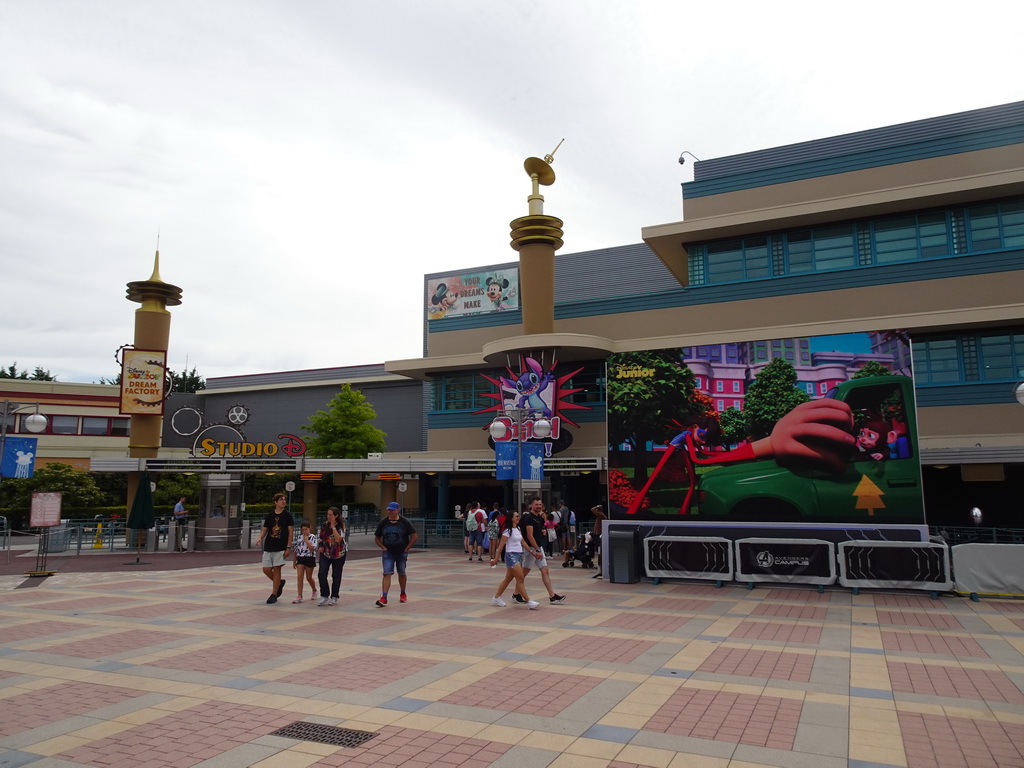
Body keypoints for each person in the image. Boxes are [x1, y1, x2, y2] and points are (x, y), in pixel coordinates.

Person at [517, 498, 565, 604]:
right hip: (532, 549)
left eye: (540, 504)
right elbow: (529, 536)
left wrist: (542, 531)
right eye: (536, 504)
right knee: (523, 573)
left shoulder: (538, 517)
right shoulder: (529, 518)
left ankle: (552, 596)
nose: (538, 506)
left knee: (545, 571)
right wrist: (537, 550)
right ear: (531, 505)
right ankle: (516, 594)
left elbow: (537, 531)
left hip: (538, 548)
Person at [489, 509, 539, 609]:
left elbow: (523, 542)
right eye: (516, 516)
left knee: (508, 579)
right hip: (511, 556)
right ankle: (529, 601)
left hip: (519, 555)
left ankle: (496, 597)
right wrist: (495, 559)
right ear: (511, 518)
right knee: (520, 578)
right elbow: (501, 546)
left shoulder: (518, 529)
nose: (518, 518)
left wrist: (532, 552)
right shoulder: (507, 531)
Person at [374, 502, 418, 606]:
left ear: (398, 510)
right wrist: (383, 548)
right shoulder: (383, 522)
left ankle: (403, 593)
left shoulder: (404, 522)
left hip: (401, 552)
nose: (390, 512)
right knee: (386, 573)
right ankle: (384, 597)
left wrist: (407, 549)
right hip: (388, 552)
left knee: (401, 572)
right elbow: (377, 537)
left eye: (393, 510)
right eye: (389, 510)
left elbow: (414, 536)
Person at [255, 492, 294, 604]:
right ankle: (279, 583)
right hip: (269, 545)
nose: (283, 501)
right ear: (276, 502)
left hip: (281, 546)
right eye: (281, 500)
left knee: (277, 569)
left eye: (284, 499)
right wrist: (260, 538)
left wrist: (288, 547)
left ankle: (274, 594)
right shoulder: (270, 515)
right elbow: (265, 529)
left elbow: (290, 532)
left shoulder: (287, 515)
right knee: (266, 569)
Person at [317, 507, 347, 606]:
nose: (329, 517)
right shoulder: (325, 525)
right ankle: (324, 595)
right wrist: (320, 546)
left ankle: (334, 596)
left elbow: (338, 539)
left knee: (336, 575)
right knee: (322, 573)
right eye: (328, 514)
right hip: (326, 553)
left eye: (331, 515)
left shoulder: (341, 526)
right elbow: (321, 538)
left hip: (338, 554)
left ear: (336, 516)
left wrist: (333, 527)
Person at [291, 521, 318, 603]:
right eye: (303, 530)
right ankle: (299, 595)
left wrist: (307, 541)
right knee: (300, 576)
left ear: (309, 529)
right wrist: (294, 560)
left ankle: (314, 590)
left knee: (308, 577)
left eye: (306, 529)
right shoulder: (299, 538)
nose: (304, 532)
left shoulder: (313, 537)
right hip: (301, 557)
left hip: (310, 558)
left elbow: (312, 548)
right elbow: (296, 550)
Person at [590, 504, 607, 579]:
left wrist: (596, 506)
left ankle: (600, 568)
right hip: (597, 535)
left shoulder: (601, 515)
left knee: (600, 552)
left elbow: (592, 509)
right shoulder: (600, 516)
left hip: (599, 535)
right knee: (598, 551)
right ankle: (600, 568)